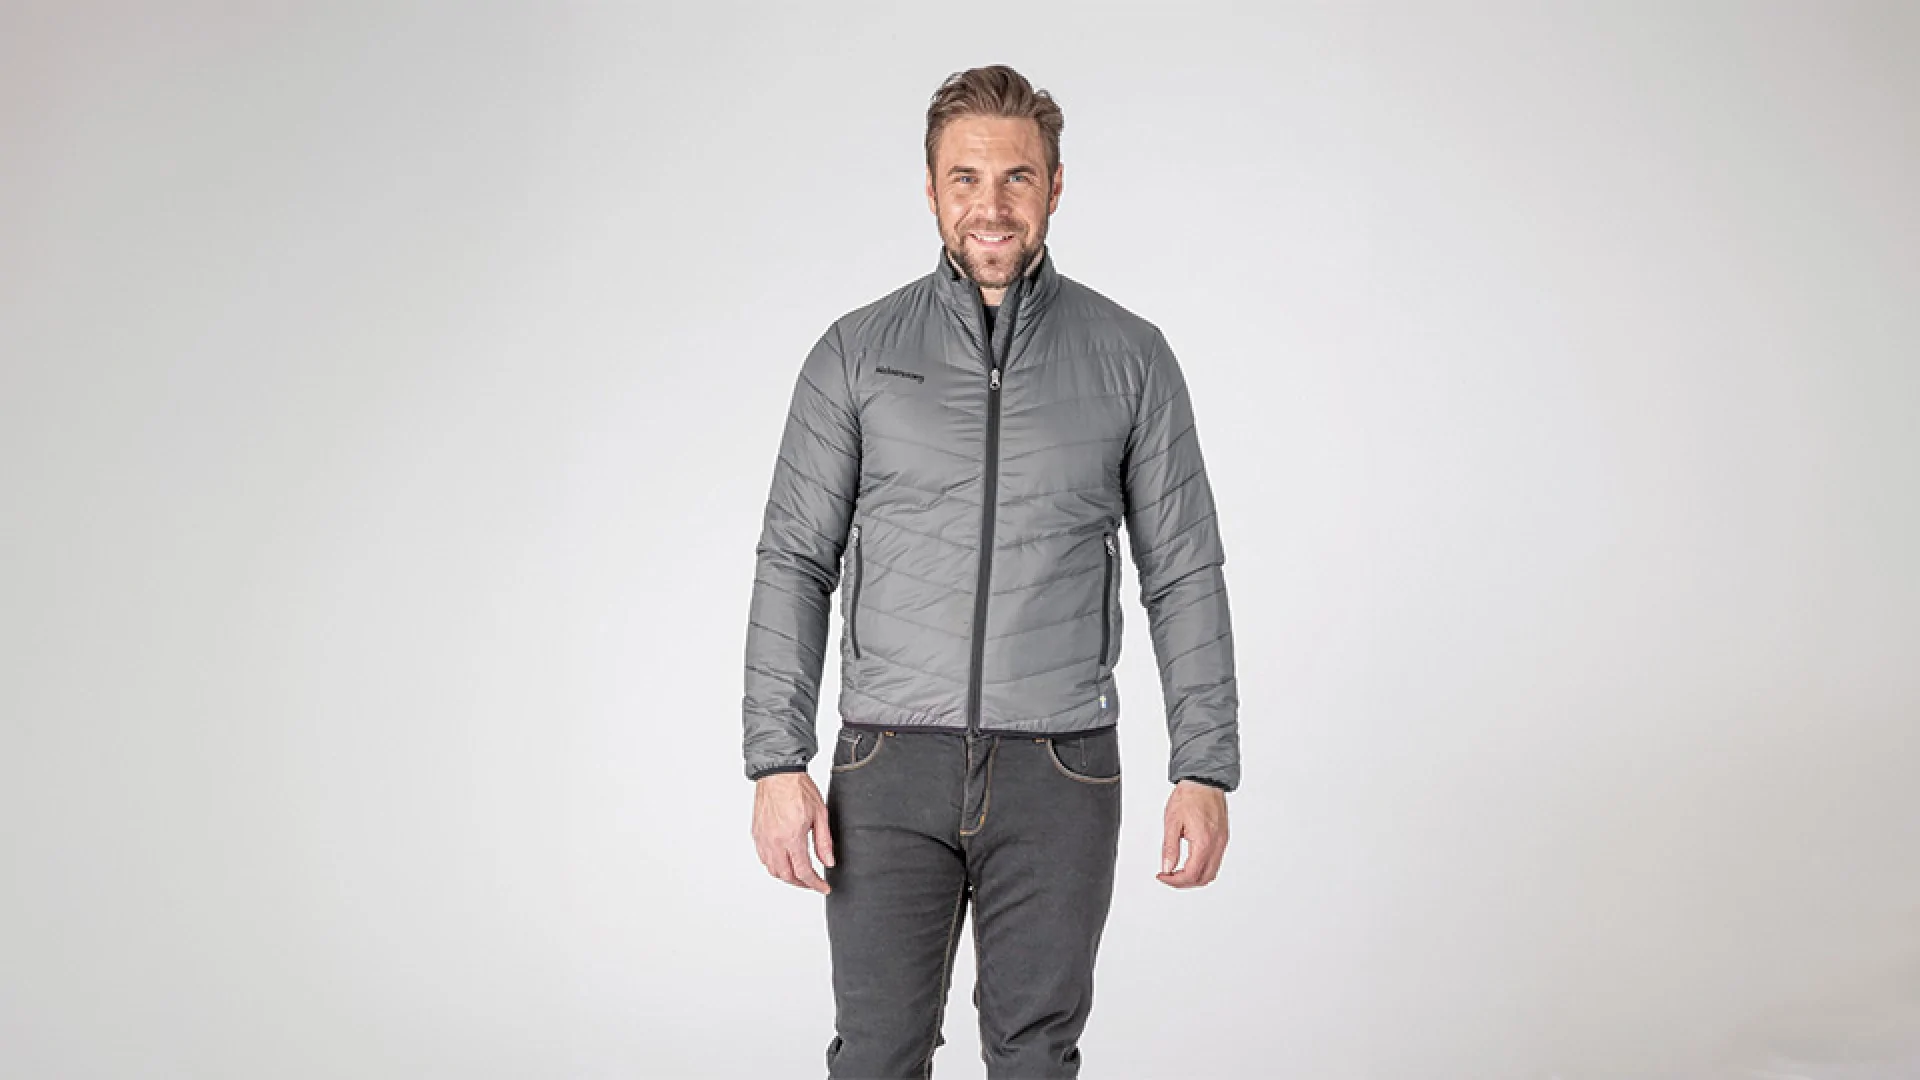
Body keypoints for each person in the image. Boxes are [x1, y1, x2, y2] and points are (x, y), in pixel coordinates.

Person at [742, 63, 1240, 1079]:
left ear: (1055, 185)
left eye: (1017, 177)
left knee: (1035, 1058)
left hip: (1061, 768)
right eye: (966, 179)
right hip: (889, 764)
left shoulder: (1130, 357)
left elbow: (1184, 570)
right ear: (931, 190)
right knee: (876, 1056)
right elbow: (794, 558)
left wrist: (1203, 767)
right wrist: (775, 762)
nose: (992, 206)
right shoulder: (855, 354)